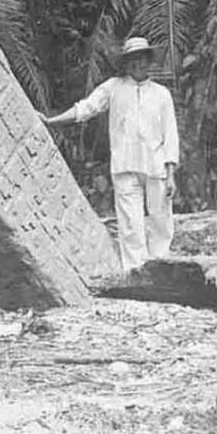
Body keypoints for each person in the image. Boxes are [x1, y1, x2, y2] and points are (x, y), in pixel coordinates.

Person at [40, 35, 179, 273]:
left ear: (149, 61)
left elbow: (171, 135)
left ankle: (161, 266)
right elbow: (87, 107)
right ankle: (136, 271)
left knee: (160, 219)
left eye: (142, 59)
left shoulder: (161, 94)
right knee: (130, 223)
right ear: (126, 63)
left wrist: (171, 173)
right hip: (124, 165)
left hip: (156, 166)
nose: (138, 64)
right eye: (132, 59)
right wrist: (54, 121)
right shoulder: (113, 87)